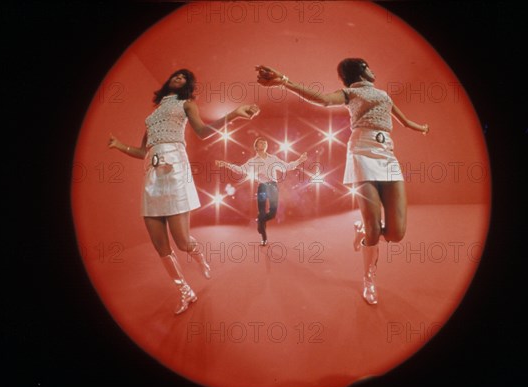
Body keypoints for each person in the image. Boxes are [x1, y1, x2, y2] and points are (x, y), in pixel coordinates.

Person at [256, 60, 429, 305]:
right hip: (362, 152)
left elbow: (402, 120)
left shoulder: (383, 94)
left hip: (387, 153)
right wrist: (285, 82)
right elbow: (323, 99)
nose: (373, 69)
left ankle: (361, 230)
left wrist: (420, 127)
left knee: (396, 234)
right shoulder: (351, 92)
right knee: (373, 226)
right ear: (359, 71)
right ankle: (369, 279)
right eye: (368, 66)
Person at [108, 69, 260, 314]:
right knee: (160, 244)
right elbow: (141, 151)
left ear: (188, 86)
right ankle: (185, 291)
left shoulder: (186, 105)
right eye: (176, 75)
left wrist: (233, 115)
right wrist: (118, 146)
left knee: (182, 242)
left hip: (175, 169)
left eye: (184, 78)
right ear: (168, 80)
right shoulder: (153, 116)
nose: (179, 78)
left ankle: (198, 255)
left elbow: (202, 132)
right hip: (152, 175)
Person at [215, 137, 307, 246]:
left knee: (272, 213)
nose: (263, 144)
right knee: (262, 211)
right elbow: (241, 170)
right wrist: (226, 165)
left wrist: (299, 160)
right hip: (262, 187)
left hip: (273, 187)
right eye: (261, 143)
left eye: (265, 142)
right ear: (256, 147)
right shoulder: (253, 161)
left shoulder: (273, 158)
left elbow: (286, 167)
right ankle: (264, 238)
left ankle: (260, 222)